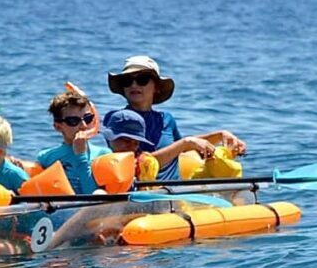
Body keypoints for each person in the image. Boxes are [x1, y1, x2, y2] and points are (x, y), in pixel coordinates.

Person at [105, 55, 246, 181]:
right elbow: (140, 164)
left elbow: (184, 149)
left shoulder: (166, 119)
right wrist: (185, 143)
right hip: (143, 196)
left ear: (157, 87)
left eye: (142, 79)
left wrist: (220, 135)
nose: (134, 85)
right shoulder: (116, 119)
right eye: (127, 81)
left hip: (174, 193)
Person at [35, 91, 111, 194]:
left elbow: (93, 196)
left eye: (88, 118)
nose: (83, 125)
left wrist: (80, 156)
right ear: (58, 126)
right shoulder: (45, 157)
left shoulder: (103, 155)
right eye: (73, 121)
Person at [101, 109, 160, 182]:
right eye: (127, 140)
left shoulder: (144, 165)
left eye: (136, 143)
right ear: (110, 137)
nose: (132, 147)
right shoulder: (97, 161)